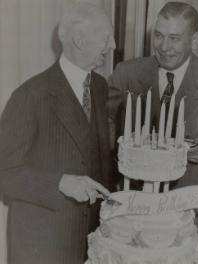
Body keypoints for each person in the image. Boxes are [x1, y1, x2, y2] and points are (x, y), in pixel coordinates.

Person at [108, 1, 198, 250]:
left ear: (194, 40)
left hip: (196, 209)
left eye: (174, 38)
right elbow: (105, 133)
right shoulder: (126, 74)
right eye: (158, 35)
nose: (164, 47)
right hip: (137, 208)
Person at [0, 3, 116, 264]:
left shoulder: (98, 86)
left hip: (89, 241)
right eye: (106, 38)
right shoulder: (29, 96)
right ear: (79, 39)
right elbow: (4, 173)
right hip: (42, 245)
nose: (113, 46)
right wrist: (60, 183)